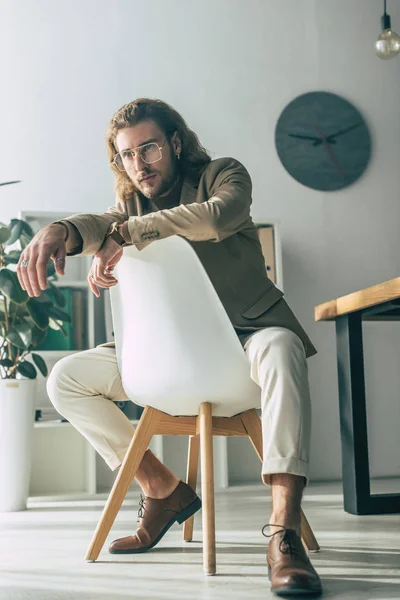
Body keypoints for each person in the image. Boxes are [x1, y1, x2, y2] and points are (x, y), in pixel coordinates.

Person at [17, 98, 322, 596]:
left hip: (244, 341)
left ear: (175, 142)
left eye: (150, 147)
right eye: (126, 156)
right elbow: (97, 224)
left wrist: (130, 234)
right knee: (65, 379)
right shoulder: (127, 206)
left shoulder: (224, 175)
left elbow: (218, 217)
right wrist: (62, 230)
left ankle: (284, 532)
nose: (139, 165)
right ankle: (163, 490)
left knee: (284, 349)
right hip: (163, 355)